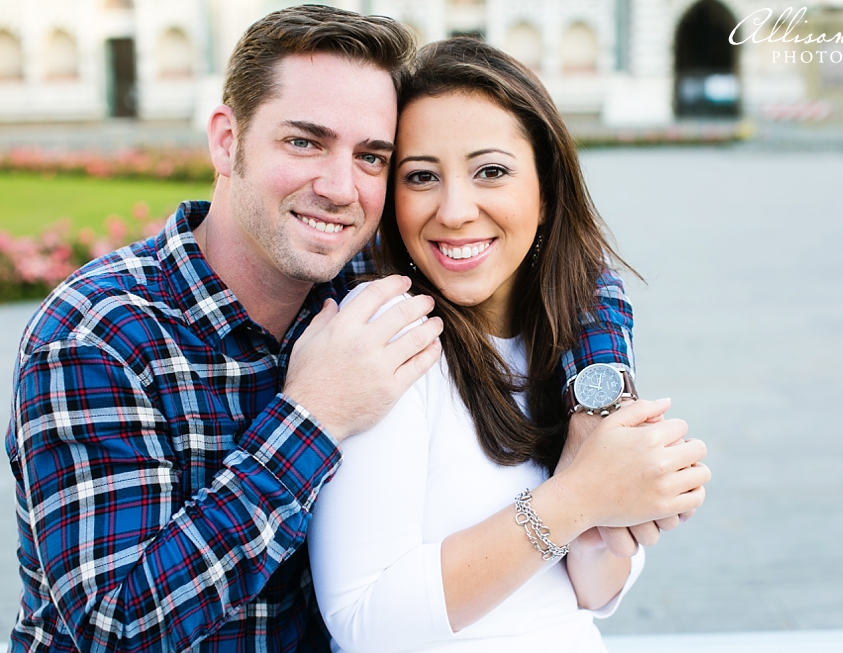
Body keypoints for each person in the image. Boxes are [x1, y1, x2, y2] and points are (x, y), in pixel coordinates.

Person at [5, 6, 642, 652]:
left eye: (371, 156)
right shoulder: (97, 335)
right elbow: (110, 632)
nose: (340, 188)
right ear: (226, 139)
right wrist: (311, 416)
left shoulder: (358, 278)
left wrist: (601, 406)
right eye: (304, 142)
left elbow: (575, 270)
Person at [308, 37, 710, 653]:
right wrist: (580, 496)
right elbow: (367, 623)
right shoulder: (388, 339)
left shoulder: (578, 337)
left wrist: (624, 518)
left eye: (490, 171)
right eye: (421, 177)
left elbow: (593, 595)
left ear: (546, 188)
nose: (456, 210)